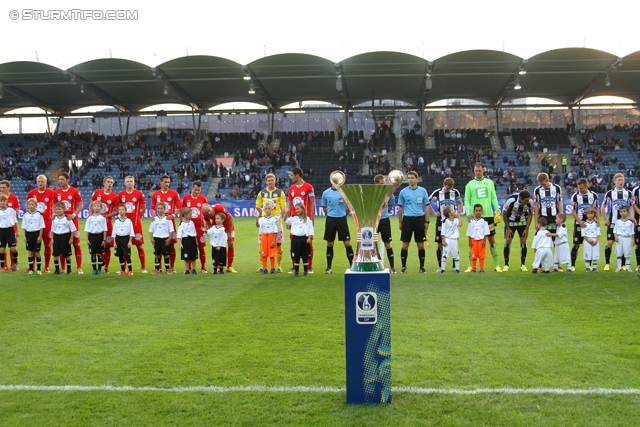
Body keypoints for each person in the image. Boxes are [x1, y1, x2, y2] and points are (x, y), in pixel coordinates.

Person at [464, 163, 502, 272]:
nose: (478, 172)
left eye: (479, 170)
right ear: (474, 171)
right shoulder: (470, 184)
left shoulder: (489, 182)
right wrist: (468, 213)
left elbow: (493, 197)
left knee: (491, 239)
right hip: (474, 216)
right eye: (476, 171)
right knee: (472, 240)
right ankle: (471, 265)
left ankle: (496, 265)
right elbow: (467, 200)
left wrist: (497, 210)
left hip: (488, 215)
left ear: (483, 170)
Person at [397, 170, 431, 273]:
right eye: (409, 178)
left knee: (420, 245)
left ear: (417, 179)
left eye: (412, 178)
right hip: (407, 219)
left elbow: (427, 206)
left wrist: (427, 221)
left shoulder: (423, 191)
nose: (410, 180)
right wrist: (400, 222)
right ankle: (403, 267)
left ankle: (422, 267)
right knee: (405, 245)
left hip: (419, 220)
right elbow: (400, 208)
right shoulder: (403, 192)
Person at [430, 177, 462, 273]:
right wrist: (434, 212)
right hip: (441, 221)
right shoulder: (437, 192)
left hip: (452, 221)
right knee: (440, 243)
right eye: (447, 187)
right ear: (444, 185)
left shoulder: (455, 192)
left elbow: (460, 203)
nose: (449, 189)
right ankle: (440, 266)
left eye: (450, 188)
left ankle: (454, 266)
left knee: (454, 243)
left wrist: (459, 213)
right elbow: (427, 202)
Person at [255, 174, 287, 273]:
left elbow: (284, 207)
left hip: (277, 223)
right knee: (262, 245)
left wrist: (279, 217)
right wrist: (264, 216)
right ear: (266, 182)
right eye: (268, 180)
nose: (270, 182)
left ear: (275, 181)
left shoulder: (280, 193)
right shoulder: (262, 193)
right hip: (265, 224)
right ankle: (262, 266)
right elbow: (257, 206)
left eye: (272, 180)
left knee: (278, 245)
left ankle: (278, 266)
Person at [151, 174, 182, 272]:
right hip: (159, 222)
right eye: (165, 182)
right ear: (161, 182)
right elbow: (152, 208)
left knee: (171, 245)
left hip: (169, 222)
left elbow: (180, 207)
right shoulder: (156, 194)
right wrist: (152, 216)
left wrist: (172, 215)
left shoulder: (174, 193)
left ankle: (171, 267)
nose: (167, 184)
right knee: (158, 245)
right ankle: (158, 268)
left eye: (168, 182)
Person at [601, 173, 632, 271]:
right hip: (613, 222)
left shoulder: (628, 193)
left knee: (622, 243)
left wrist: (632, 218)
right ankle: (607, 263)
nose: (621, 182)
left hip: (624, 223)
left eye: (622, 180)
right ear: (615, 181)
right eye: (619, 180)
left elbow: (631, 207)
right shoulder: (610, 193)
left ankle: (622, 265)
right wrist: (605, 219)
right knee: (610, 242)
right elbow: (603, 206)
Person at [288, 167, 316, 273]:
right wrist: (289, 218)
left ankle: (309, 266)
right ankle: (294, 266)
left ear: (297, 175)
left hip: (305, 219)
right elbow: (290, 204)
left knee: (308, 242)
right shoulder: (291, 188)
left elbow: (313, 203)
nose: (291, 177)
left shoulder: (308, 187)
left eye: (292, 175)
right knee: (294, 242)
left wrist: (312, 218)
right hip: (294, 219)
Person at [321, 182, 353, 274]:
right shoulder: (326, 193)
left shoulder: (345, 192)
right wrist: (331, 214)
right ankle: (329, 267)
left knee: (347, 243)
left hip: (342, 219)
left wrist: (343, 214)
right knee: (330, 243)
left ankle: (352, 266)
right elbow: (324, 207)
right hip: (330, 220)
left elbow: (349, 206)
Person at [55, 172, 84, 274]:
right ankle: (63, 268)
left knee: (76, 243)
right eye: (59, 179)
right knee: (62, 243)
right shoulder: (57, 192)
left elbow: (80, 205)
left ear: (68, 180)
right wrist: (54, 214)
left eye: (62, 179)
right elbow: (54, 206)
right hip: (61, 221)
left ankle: (79, 267)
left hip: (72, 220)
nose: (60, 181)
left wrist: (74, 215)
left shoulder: (75, 191)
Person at [117, 176, 147, 273]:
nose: (129, 183)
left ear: (134, 183)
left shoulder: (139, 193)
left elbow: (143, 208)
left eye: (131, 181)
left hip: (136, 224)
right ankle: (123, 268)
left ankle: (143, 267)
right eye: (127, 181)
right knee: (124, 246)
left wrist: (138, 217)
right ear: (125, 183)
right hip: (124, 224)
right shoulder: (121, 194)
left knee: (139, 245)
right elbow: (119, 208)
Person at [28, 175, 56, 272]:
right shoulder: (32, 193)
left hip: (47, 221)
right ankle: (32, 266)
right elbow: (28, 206)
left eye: (42, 181)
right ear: (36, 182)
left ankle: (46, 266)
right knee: (33, 244)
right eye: (39, 181)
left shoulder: (52, 192)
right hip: (35, 223)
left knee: (47, 244)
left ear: (46, 182)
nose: (40, 183)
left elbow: (55, 205)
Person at [91, 176, 119, 274]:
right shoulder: (97, 193)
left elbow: (116, 211)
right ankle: (100, 261)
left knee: (107, 246)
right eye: (108, 182)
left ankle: (106, 267)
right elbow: (91, 204)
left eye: (111, 182)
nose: (110, 184)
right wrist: (91, 216)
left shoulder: (114, 196)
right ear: (104, 183)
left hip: (107, 224)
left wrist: (107, 216)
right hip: (96, 225)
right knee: (97, 245)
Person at [570, 178, 599, 271]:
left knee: (591, 243)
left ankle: (589, 266)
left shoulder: (593, 195)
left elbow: (596, 208)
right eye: (578, 188)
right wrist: (580, 221)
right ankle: (572, 265)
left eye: (581, 188)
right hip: (579, 224)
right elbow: (573, 211)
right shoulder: (575, 196)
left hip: (590, 224)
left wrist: (597, 219)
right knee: (576, 244)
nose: (580, 190)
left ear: (587, 186)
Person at [502, 190, 533, 272]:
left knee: (523, 240)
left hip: (522, 222)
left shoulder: (530, 202)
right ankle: (506, 265)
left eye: (528, 200)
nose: (527, 201)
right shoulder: (511, 200)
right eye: (526, 200)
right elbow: (504, 214)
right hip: (511, 222)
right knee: (508, 240)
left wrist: (527, 228)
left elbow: (530, 214)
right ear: (520, 198)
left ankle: (523, 265)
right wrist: (507, 228)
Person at [182, 180, 209, 273]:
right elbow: (182, 212)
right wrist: (182, 224)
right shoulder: (185, 198)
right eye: (195, 189)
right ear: (192, 188)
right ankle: (189, 268)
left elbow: (206, 213)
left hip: (199, 228)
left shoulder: (203, 199)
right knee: (189, 248)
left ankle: (203, 267)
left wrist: (206, 225)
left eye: (199, 190)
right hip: (188, 229)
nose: (197, 192)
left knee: (201, 247)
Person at [202, 203, 237, 273]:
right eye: (206, 212)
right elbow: (208, 223)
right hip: (217, 227)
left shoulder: (219, 208)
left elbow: (231, 218)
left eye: (209, 210)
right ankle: (218, 266)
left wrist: (229, 232)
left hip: (227, 225)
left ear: (210, 206)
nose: (209, 213)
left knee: (230, 243)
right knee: (217, 245)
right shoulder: (205, 215)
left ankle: (229, 266)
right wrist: (210, 231)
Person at [284, 202, 314, 277]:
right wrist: (286, 213)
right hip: (295, 239)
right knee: (296, 255)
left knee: (305, 256)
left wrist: (310, 238)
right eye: (296, 209)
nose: (296, 210)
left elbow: (311, 230)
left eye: (298, 209)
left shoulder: (308, 219)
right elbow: (286, 221)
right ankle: (296, 271)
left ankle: (305, 271)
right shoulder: (294, 218)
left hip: (304, 239)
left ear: (303, 209)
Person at [374, 174, 396, 273]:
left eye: (384, 183)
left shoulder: (389, 194)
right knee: (372, 244)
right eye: (381, 184)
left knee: (388, 243)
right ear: (376, 184)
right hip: (373, 221)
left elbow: (390, 207)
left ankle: (392, 266)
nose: (384, 185)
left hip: (384, 220)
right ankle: (373, 264)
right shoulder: (371, 193)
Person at [533, 172, 563, 239]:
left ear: (547, 180)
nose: (543, 186)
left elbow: (560, 203)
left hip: (554, 217)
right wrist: (536, 221)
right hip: (543, 217)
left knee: (556, 239)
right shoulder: (537, 190)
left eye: (544, 184)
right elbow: (536, 206)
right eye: (541, 184)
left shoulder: (557, 188)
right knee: (539, 238)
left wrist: (561, 217)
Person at [253, 200, 280, 274]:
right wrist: (256, 218)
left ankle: (272, 268)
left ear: (272, 209)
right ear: (263, 210)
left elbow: (275, 231)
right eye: (266, 209)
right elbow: (258, 225)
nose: (267, 210)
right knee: (263, 253)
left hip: (271, 236)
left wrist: (274, 241)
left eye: (269, 208)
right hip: (264, 237)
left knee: (272, 254)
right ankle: (264, 268)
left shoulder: (275, 219)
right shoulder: (262, 219)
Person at [149, 203, 174, 275]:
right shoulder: (154, 219)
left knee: (166, 254)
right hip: (156, 238)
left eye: (161, 208)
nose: (159, 210)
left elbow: (171, 230)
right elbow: (151, 230)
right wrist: (151, 238)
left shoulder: (168, 218)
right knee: (157, 254)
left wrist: (169, 238)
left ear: (164, 209)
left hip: (165, 238)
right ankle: (157, 269)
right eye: (158, 208)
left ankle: (167, 269)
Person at [50, 202, 75, 275]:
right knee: (55, 254)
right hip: (57, 237)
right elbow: (52, 230)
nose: (57, 210)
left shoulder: (67, 218)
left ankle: (69, 270)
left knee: (67, 254)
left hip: (65, 237)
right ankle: (57, 270)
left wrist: (71, 238)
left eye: (59, 209)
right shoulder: (54, 219)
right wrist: (52, 239)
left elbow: (73, 229)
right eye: (56, 209)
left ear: (63, 209)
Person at [21, 198, 45, 274]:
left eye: (32, 204)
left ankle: (38, 270)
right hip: (29, 234)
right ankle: (31, 269)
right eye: (29, 204)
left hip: (36, 234)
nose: (31, 206)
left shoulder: (39, 215)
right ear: (27, 206)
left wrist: (40, 236)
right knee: (30, 253)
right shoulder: (25, 215)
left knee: (37, 252)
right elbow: (24, 227)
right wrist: (24, 236)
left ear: (36, 205)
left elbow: (41, 226)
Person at [1, 180, 20, 271]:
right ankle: (4, 265)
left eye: (4, 187)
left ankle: (14, 264)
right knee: (2, 248)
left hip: (11, 228)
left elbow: (17, 210)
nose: (2, 189)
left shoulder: (14, 198)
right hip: (2, 228)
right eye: (1, 188)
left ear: (8, 187)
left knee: (13, 248)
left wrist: (17, 230)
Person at [84, 200, 108, 276]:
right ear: (92, 207)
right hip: (92, 236)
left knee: (99, 253)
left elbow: (104, 229)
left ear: (101, 208)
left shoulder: (102, 218)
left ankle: (99, 270)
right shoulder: (89, 218)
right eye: (95, 206)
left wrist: (104, 240)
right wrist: (87, 239)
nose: (96, 208)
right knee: (93, 253)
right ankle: (94, 270)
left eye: (98, 206)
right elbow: (87, 229)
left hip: (99, 236)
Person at [466, 204, 490, 272]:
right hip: (473, 240)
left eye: (479, 211)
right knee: (473, 255)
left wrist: (484, 241)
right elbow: (469, 232)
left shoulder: (484, 222)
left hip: (481, 240)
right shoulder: (471, 222)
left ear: (482, 211)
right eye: (476, 211)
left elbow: (486, 232)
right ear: (474, 211)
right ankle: (474, 268)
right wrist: (469, 241)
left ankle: (482, 268)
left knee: (481, 255)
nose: (478, 212)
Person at [112, 204, 135, 276]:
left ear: (125, 211)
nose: (121, 211)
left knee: (127, 255)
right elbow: (114, 233)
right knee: (120, 255)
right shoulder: (116, 221)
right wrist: (114, 242)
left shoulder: (128, 221)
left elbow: (131, 232)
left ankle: (130, 270)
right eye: (119, 210)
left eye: (122, 209)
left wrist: (130, 241)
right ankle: (122, 270)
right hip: (118, 239)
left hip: (125, 239)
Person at [439, 206, 461, 273]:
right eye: (452, 210)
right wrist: (443, 241)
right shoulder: (445, 221)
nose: (454, 211)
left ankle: (457, 268)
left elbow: (460, 224)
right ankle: (443, 269)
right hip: (448, 239)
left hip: (455, 240)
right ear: (449, 213)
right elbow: (443, 232)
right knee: (445, 254)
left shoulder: (456, 220)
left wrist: (459, 216)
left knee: (456, 254)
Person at [177, 207, 198, 275]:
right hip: (185, 241)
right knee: (186, 257)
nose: (191, 216)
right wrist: (180, 244)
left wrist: (196, 241)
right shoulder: (181, 224)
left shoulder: (192, 222)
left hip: (192, 240)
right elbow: (179, 235)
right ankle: (187, 270)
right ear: (185, 215)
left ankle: (194, 269)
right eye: (190, 214)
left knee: (193, 256)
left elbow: (194, 232)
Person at [613, 205, 634, 272]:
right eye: (621, 211)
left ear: (627, 212)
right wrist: (616, 237)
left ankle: (628, 267)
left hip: (627, 238)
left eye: (624, 211)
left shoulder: (630, 222)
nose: (623, 213)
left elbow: (632, 232)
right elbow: (615, 230)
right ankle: (619, 267)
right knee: (619, 253)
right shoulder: (617, 221)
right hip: (620, 238)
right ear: (619, 212)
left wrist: (633, 240)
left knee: (627, 253)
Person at [582, 207, 601, 272]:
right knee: (587, 254)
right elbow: (583, 234)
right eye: (588, 214)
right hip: (588, 241)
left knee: (595, 254)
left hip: (595, 240)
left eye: (592, 214)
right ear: (586, 214)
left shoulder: (596, 223)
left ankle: (595, 267)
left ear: (594, 215)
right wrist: (588, 240)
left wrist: (596, 240)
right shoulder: (584, 224)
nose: (590, 215)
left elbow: (598, 233)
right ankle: (587, 267)